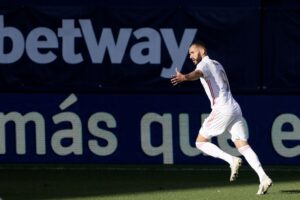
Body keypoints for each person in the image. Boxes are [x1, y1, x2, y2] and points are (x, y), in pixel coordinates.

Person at [170, 41, 272, 195]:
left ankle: (232, 160)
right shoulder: (217, 63)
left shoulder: (204, 64)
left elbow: (197, 74)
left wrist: (184, 77)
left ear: (202, 50)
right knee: (242, 145)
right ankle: (263, 177)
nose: (190, 56)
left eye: (192, 52)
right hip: (234, 107)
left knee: (200, 142)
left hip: (222, 108)